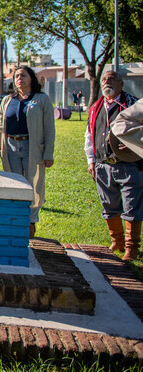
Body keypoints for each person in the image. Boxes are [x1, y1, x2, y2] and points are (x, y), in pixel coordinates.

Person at [0, 66, 55, 238]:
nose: (19, 78)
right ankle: (15, 220)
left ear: (31, 78)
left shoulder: (41, 99)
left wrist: (48, 154)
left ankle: (30, 223)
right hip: (10, 146)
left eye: (23, 75)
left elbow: (49, 128)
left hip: (32, 147)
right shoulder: (7, 100)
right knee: (14, 184)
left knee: (33, 184)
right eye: (17, 76)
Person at [84, 70, 141, 260]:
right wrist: (91, 160)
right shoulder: (95, 107)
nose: (107, 81)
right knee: (109, 205)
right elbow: (89, 135)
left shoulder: (132, 104)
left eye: (112, 78)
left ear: (121, 84)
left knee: (132, 206)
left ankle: (132, 247)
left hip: (130, 164)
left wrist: (134, 141)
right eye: (104, 79)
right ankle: (117, 241)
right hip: (103, 164)